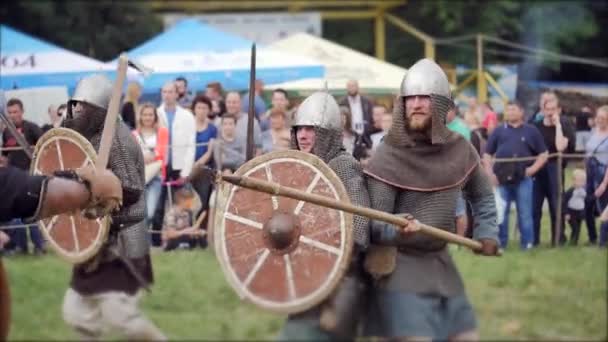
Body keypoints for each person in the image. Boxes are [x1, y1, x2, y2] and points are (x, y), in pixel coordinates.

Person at [363, 59, 499, 341]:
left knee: (466, 338)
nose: (416, 103)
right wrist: (396, 227)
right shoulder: (388, 154)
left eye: (425, 97)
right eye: (411, 97)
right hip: (400, 267)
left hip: (441, 264)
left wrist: (486, 232)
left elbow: (483, 196)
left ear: (440, 103)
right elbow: (374, 222)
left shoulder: (460, 148)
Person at [60, 74, 166, 340]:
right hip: (94, 239)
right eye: (78, 106)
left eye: (86, 107)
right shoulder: (84, 137)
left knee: (121, 317)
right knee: (76, 311)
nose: (80, 112)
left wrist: (102, 188)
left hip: (122, 241)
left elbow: (132, 192)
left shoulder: (120, 141)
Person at [278, 91, 371, 341]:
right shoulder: (296, 166)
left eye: (311, 129)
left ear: (328, 134)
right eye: (299, 129)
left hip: (340, 273)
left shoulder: (343, 165)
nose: (303, 135)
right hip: (303, 266)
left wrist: (338, 251)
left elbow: (359, 222)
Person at [484, 101, 548, 250]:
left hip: (524, 179)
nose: (510, 113)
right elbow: (487, 154)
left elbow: (544, 154)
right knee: (501, 213)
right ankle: (501, 244)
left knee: (525, 213)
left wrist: (532, 170)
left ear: (521, 112)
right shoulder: (498, 131)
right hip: (500, 178)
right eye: (508, 110)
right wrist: (490, 173)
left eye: (513, 110)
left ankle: (527, 244)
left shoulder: (531, 131)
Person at [532, 95, 575, 246]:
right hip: (538, 170)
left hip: (554, 169)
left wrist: (557, 126)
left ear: (558, 110)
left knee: (556, 206)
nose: (550, 112)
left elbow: (560, 147)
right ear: (542, 110)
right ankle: (534, 241)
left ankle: (558, 239)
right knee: (535, 207)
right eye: (547, 109)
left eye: (553, 109)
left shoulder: (565, 124)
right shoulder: (536, 126)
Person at [132, 103, 169, 231]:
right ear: (140, 117)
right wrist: (147, 157)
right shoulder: (134, 135)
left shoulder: (162, 132)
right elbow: (132, 155)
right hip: (139, 177)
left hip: (156, 176)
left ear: (155, 116)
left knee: (150, 212)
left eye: (150, 115)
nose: (148, 117)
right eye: (145, 114)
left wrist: (149, 156)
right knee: (139, 211)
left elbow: (162, 154)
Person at [585, 105, 608, 247]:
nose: (599, 120)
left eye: (603, 118)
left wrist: (605, 183)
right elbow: (588, 153)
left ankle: (603, 240)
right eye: (598, 117)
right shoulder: (593, 132)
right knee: (588, 204)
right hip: (590, 171)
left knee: (603, 207)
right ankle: (592, 237)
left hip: (603, 172)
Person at [162, 186, 202, 251]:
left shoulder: (187, 213)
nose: (192, 203)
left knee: (199, 237)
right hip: (171, 241)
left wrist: (195, 233)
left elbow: (186, 230)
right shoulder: (171, 213)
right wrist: (187, 231)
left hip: (183, 237)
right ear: (182, 201)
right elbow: (171, 234)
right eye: (190, 201)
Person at [563, 169, 587, 246]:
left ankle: (575, 242)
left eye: (582, 181)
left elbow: (584, 201)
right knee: (575, 228)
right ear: (573, 181)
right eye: (578, 181)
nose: (580, 183)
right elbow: (564, 202)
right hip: (571, 213)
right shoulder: (571, 191)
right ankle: (572, 242)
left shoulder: (583, 191)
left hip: (579, 213)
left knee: (578, 229)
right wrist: (566, 213)